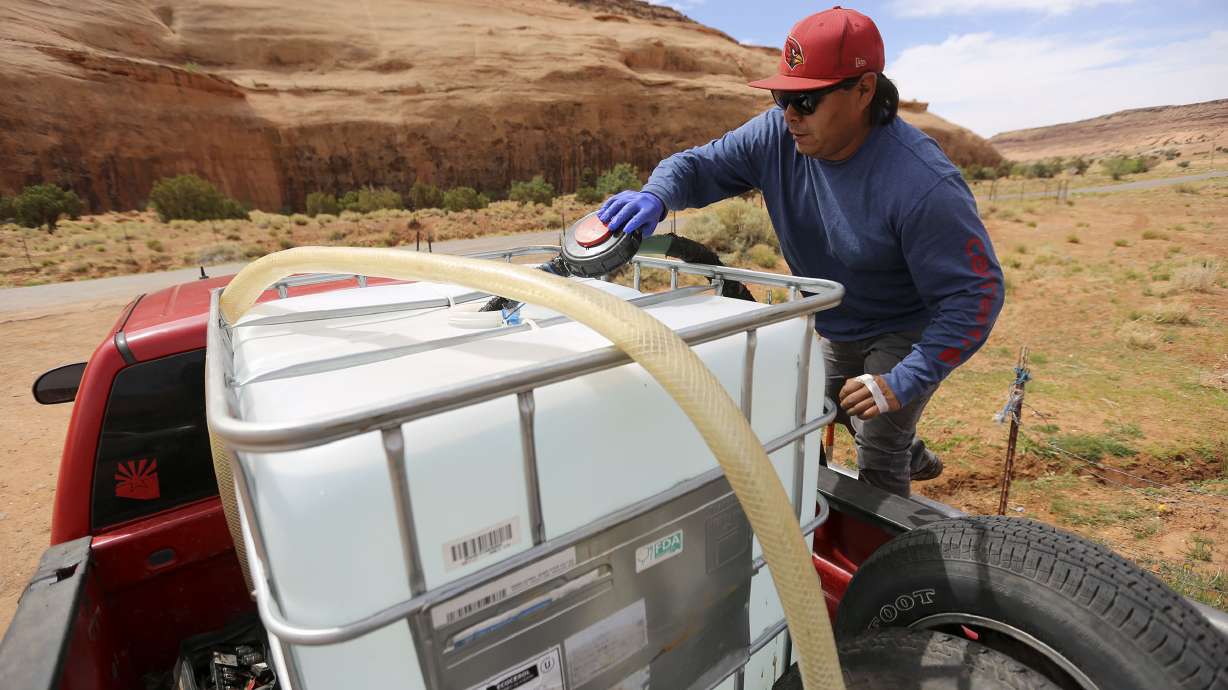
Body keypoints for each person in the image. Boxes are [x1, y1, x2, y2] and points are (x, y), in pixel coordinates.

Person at [597, 6, 1004, 497]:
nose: (789, 115)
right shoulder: (776, 134)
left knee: (879, 441)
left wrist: (904, 379)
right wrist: (658, 195)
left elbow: (975, 295)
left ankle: (884, 558)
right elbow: (699, 167)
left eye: (806, 100)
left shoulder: (922, 184)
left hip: (900, 328)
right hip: (830, 316)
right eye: (782, 96)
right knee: (795, 415)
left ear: (863, 91)